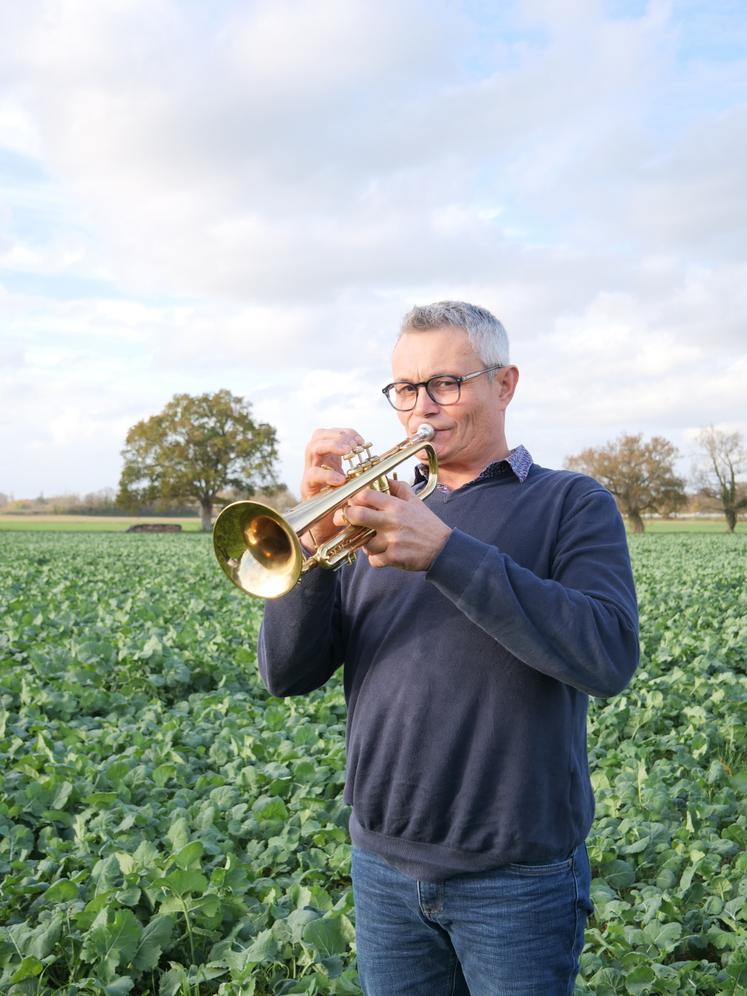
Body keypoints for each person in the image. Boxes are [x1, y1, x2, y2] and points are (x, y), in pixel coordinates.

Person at [258, 301, 639, 995]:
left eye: (445, 383)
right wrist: (310, 546)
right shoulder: (370, 508)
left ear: (505, 383)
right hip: (381, 867)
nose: (418, 408)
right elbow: (287, 674)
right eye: (404, 388)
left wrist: (445, 553)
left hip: (516, 878)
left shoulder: (570, 503)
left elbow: (606, 655)